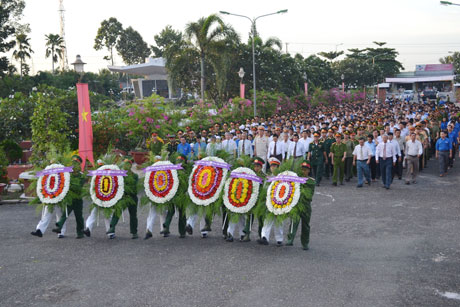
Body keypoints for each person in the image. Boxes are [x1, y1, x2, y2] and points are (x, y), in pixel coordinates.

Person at [51, 155, 87, 239]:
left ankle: (80, 233)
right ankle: (59, 228)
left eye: (76, 163)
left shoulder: (81, 175)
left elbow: (79, 186)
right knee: (65, 214)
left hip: (77, 199)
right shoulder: (67, 174)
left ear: (79, 165)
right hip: (69, 198)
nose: (74, 165)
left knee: (78, 217)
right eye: (73, 163)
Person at [106, 157, 138, 239]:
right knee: (117, 212)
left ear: (131, 165)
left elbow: (135, 188)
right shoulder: (120, 175)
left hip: (132, 197)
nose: (126, 166)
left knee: (133, 215)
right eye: (124, 164)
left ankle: (134, 232)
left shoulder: (135, 176)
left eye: (128, 164)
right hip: (123, 197)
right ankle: (112, 228)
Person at [286, 161, 315, 250]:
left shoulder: (311, 181)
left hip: (306, 205)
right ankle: (290, 239)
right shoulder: (296, 179)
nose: (303, 171)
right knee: (293, 222)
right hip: (297, 204)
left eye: (305, 170)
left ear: (308, 171)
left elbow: (308, 194)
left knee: (305, 225)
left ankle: (305, 243)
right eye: (302, 169)